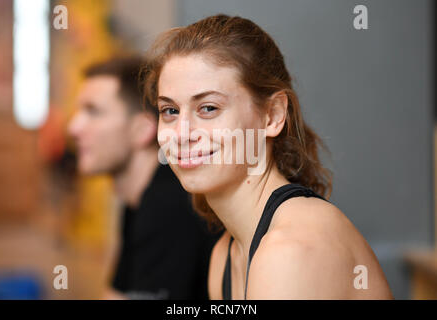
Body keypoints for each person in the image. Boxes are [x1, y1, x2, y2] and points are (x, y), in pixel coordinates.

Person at [143, 15, 394, 299]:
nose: (182, 134)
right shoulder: (225, 255)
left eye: (209, 108)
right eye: (170, 111)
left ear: (273, 115)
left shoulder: (290, 251)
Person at [68, 56, 219, 300]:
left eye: (93, 112)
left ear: (141, 130)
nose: (73, 127)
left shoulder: (168, 204)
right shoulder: (138, 199)